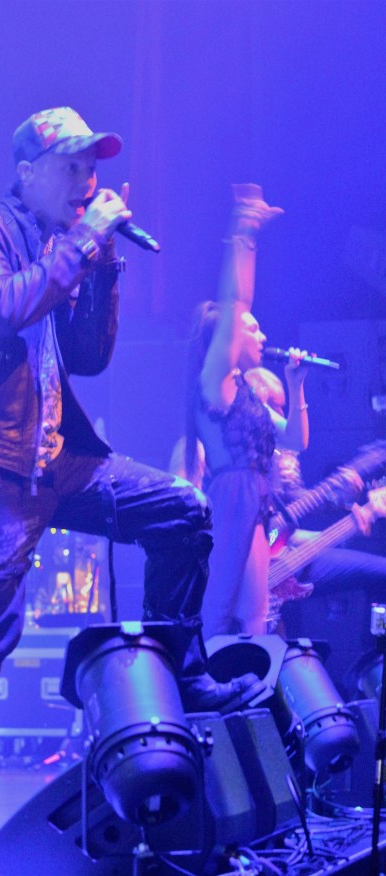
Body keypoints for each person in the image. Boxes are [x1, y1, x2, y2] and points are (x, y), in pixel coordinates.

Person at [0, 108, 262, 876]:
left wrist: (102, 262)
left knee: (181, 510)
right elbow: (7, 307)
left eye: (92, 168)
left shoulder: (64, 245)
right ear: (28, 170)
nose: (87, 181)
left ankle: (186, 672)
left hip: (54, 459)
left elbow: (87, 357)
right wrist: (80, 243)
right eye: (71, 166)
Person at [181, 184, 310, 639]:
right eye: (250, 331)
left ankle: (252, 691)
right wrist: (245, 230)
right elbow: (237, 304)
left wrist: (295, 387)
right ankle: (205, 688)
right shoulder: (215, 384)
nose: (260, 336)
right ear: (229, 341)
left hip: (255, 497)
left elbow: (293, 441)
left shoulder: (248, 394)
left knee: (257, 613)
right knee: (218, 609)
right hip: (231, 497)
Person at [244, 366, 386, 627]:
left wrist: (341, 502)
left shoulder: (283, 453)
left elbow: (290, 513)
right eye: (272, 407)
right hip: (243, 568)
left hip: (281, 554)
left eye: (281, 407)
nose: (278, 416)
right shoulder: (223, 456)